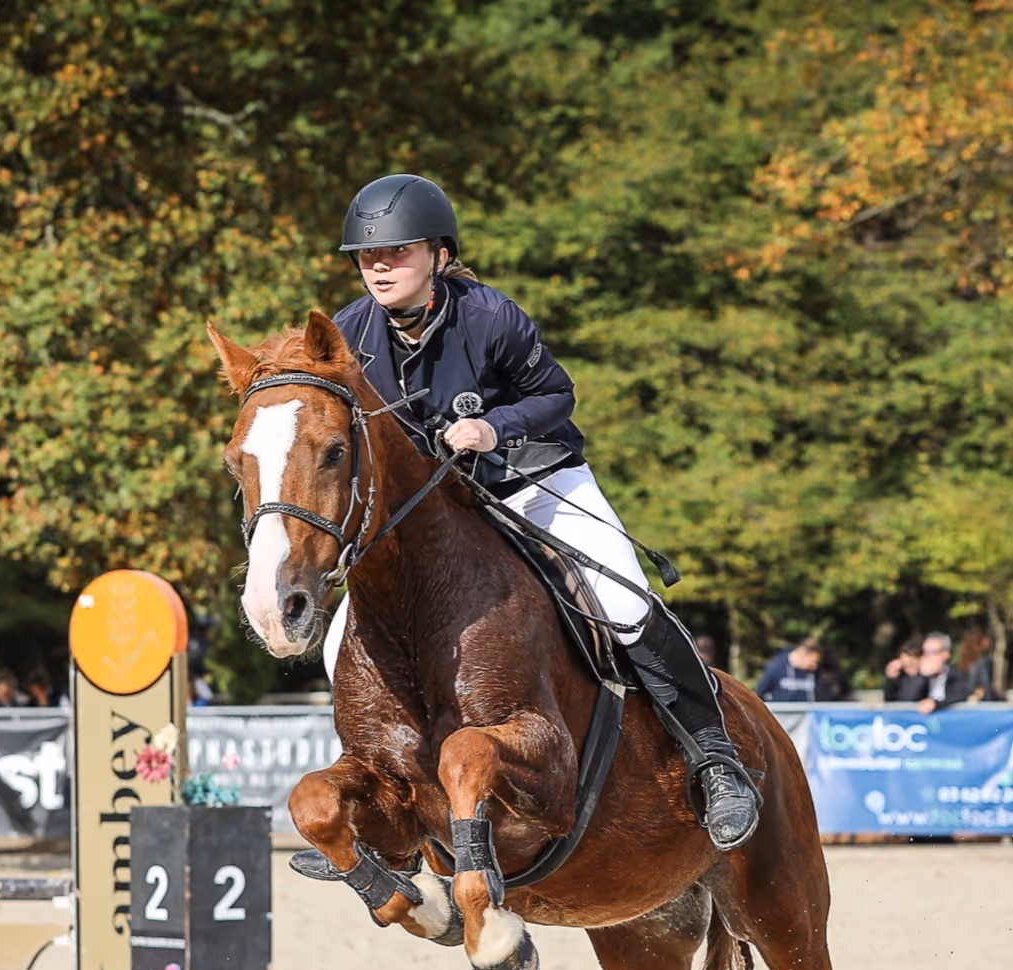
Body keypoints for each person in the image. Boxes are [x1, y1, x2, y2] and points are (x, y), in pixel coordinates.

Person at [327, 175, 759, 849]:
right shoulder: (348, 333)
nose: (379, 267)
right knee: (340, 640)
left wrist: (492, 428)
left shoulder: (489, 316)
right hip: (438, 509)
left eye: (397, 252)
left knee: (624, 604)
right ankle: (386, 808)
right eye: (367, 256)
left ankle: (716, 760)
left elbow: (557, 395)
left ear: (439, 255)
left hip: (534, 481)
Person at [916, 632, 970, 714]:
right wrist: (923, 677)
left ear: (946, 654)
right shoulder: (917, 675)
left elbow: (960, 696)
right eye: (925, 652)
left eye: (933, 652)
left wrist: (936, 704)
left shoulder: (956, 674)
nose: (928, 657)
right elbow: (907, 697)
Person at [755, 638, 821, 703]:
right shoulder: (776, 668)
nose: (814, 667)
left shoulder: (812, 673)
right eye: (812, 662)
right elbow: (758, 695)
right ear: (802, 655)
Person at [955, 627, 995, 703]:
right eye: (985, 639)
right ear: (979, 642)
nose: (988, 642)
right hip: (981, 703)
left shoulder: (961, 662)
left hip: (964, 701)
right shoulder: (983, 662)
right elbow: (986, 688)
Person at [884, 638, 924, 702]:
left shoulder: (926, 677)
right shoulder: (900, 676)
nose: (908, 670)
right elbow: (889, 700)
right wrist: (891, 680)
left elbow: (911, 697)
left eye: (911, 665)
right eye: (905, 666)